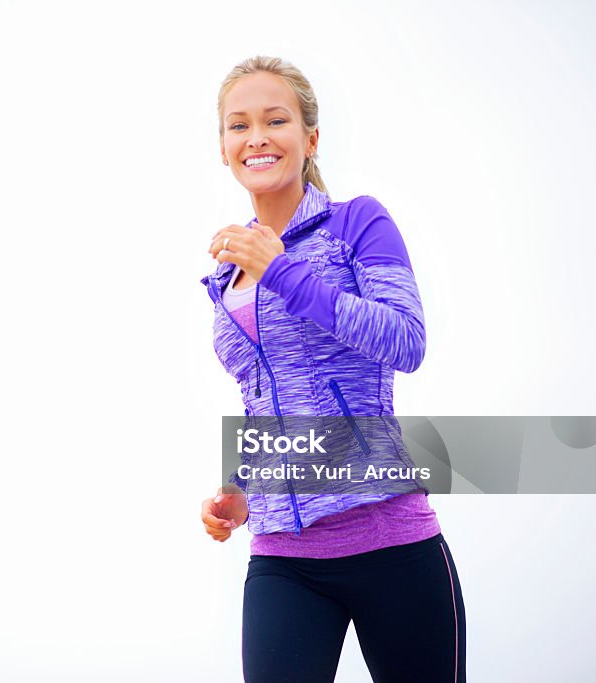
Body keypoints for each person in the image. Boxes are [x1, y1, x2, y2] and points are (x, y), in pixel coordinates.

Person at [199, 56, 467, 683]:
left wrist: (284, 272)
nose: (257, 137)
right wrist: (240, 487)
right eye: (238, 126)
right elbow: (269, 394)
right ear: (223, 148)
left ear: (310, 138)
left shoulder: (357, 224)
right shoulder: (225, 273)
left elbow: (405, 341)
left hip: (391, 544)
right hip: (282, 556)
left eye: (275, 120)